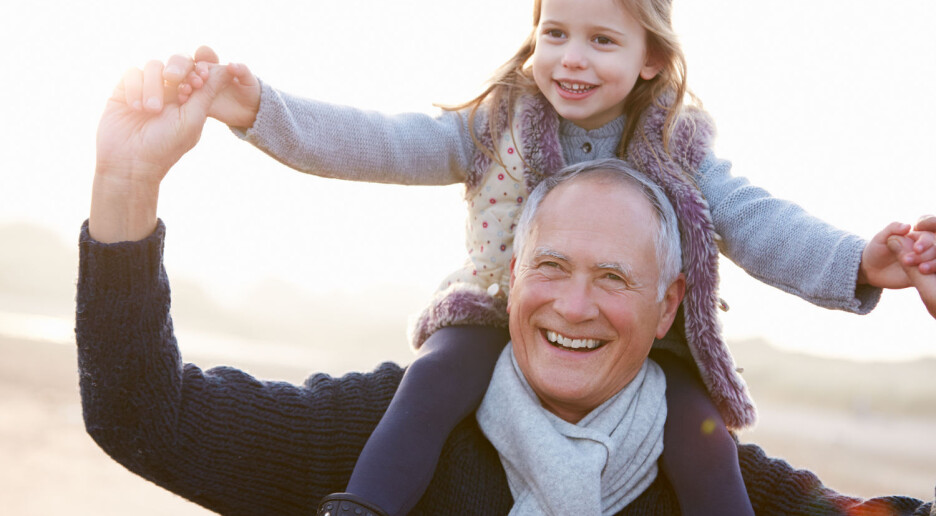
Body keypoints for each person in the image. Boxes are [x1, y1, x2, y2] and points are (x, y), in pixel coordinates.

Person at [153, 0, 936, 512]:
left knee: (705, 446)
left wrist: (860, 263)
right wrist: (259, 110)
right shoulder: (497, 124)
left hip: (647, 343)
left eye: (602, 40)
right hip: (498, 306)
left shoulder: (677, 147)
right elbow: (382, 142)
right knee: (429, 384)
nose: (571, 58)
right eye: (555, 33)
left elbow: (764, 225)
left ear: (652, 59)